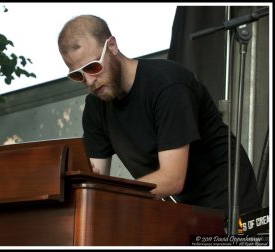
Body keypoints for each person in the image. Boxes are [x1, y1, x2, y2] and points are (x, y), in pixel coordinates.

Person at [57, 15, 261, 220]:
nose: (89, 81)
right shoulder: (95, 107)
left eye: (93, 67)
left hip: (228, 197)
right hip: (181, 205)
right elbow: (96, 180)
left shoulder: (168, 85)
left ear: (112, 46)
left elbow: (172, 178)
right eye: (78, 75)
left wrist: (118, 200)